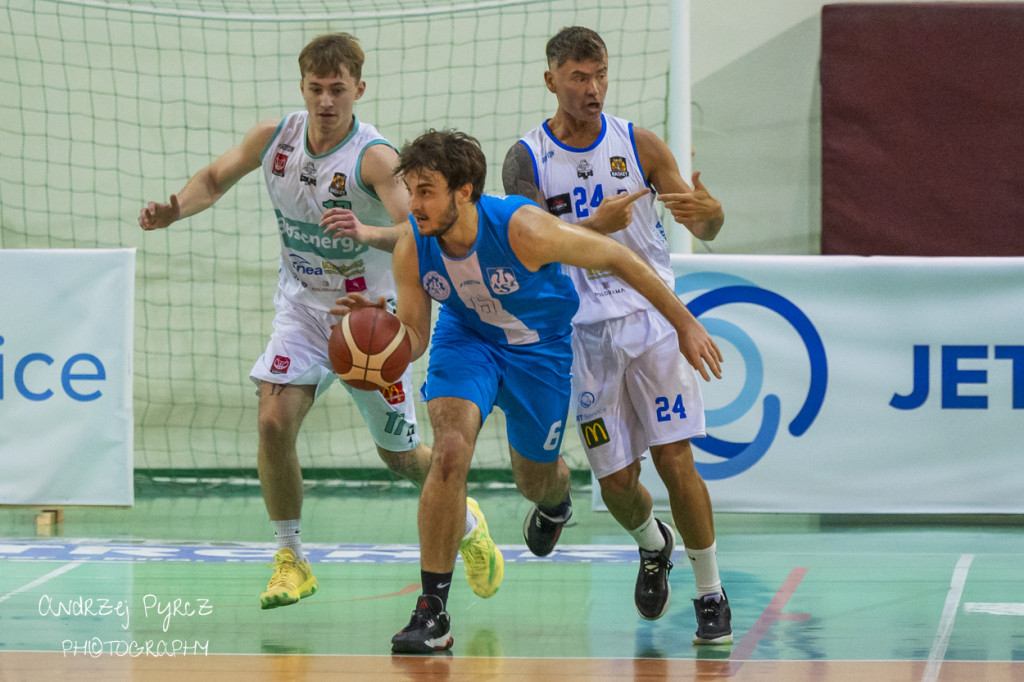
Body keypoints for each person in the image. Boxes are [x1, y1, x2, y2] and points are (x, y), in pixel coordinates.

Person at [138, 33, 502, 611]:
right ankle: (290, 558)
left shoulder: (376, 158)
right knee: (273, 421)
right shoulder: (274, 138)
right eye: (316, 88)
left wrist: (367, 233)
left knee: (401, 457)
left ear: (359, 89)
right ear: (302, 87)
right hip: (304, 309)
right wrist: (174, 209)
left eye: (338, 90)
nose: (326, 101)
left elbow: (418, 229)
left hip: (372, 320)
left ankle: (465, 519)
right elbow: (213, 177)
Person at [344, 128, 722, 654]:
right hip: (467, 337)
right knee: (450, 451)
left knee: (534, 479)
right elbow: (414, 337)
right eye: (411, 189)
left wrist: (684, 323)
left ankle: (555, 502)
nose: (414, 203)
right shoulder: (413, 242)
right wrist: (371, 349)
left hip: (537, 349)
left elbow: (619, 259)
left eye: (427, 190)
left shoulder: (523, 228)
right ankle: (432, 610)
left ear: (466, 191)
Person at [502, 26, 733, 645]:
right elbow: (525, 251)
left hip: (651, 319)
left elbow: (705, 225)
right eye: (579, 77)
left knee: (676, 456)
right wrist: (589, 226)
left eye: (600, 74)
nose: (593, 88)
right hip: (581, 335)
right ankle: (650, 543)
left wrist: (708, 214)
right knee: (618, 486)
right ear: (552, 79)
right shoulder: (526, 158)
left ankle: (710, 591)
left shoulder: (638, 143)